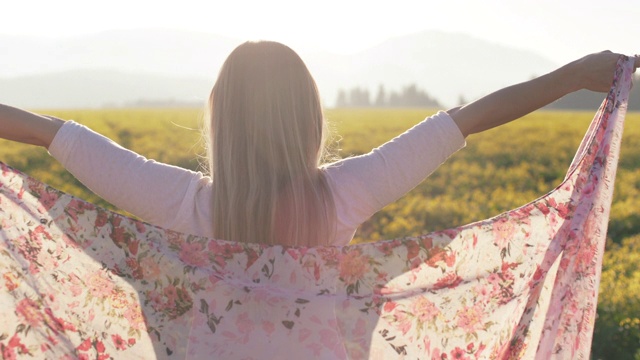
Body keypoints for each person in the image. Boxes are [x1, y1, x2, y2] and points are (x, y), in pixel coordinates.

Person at [0, 42, 637, 247]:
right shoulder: (344, 195)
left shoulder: (180, 203)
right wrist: (573, 78)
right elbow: (465, 121)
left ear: (220, 122)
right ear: (310, 118)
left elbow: (41, 130)